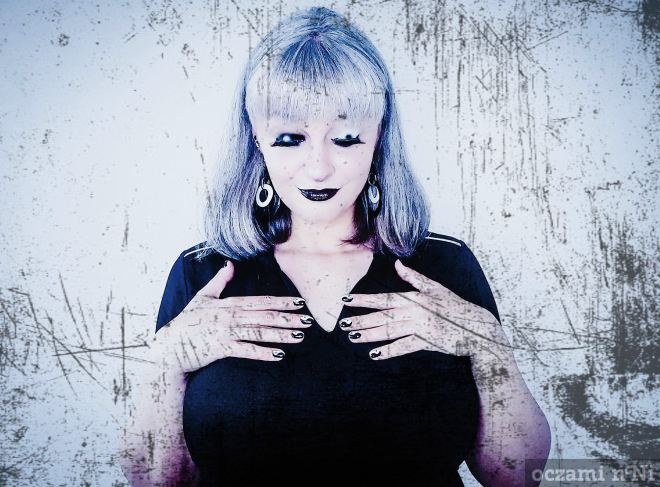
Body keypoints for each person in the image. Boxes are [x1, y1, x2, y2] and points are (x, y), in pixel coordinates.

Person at [120, 6, 550, 487]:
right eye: (290, 139)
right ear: (256, 140)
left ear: (378, 137)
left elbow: (517, 477)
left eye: (345, 139)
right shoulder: (202, 273)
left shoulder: (445, 265)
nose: (319, 167)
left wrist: (487, 344)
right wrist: (165, 361)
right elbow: (157, 482)